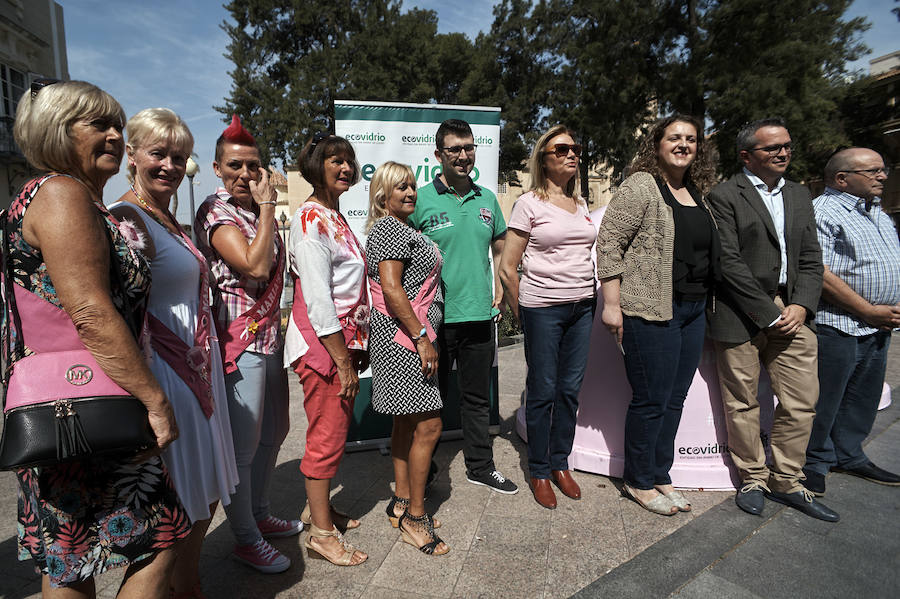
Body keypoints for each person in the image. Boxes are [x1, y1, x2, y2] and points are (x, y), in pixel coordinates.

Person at [7, 80, 191, 597]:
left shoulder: (51, 196)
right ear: (57, 130)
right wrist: (154, 400)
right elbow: (89, 311)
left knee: (68, 554)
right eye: (98, 124)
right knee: (160, 538)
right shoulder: (61, 194)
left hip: (62, 403)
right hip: (87, 399)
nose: (115, 135)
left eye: (117, 124)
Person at [109, 108, 239, 598]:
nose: (169, 165)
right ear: (132, 155)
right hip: (165, 370)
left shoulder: (167, 218)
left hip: (197, 368)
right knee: (178, 494)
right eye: (158, 153)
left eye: (179, 157)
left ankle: (189, 583)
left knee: (205, 487)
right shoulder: (127, 217)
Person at [706, 117, 838, 522]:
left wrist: (801, 305)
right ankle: (753, 478)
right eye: (773, 148)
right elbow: (726, 262)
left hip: (793, 311)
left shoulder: (800, 194)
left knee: (802, 402)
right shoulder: (723, 195)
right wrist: (767, 313)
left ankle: (787, 480)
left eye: (787, 146)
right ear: (747, 156)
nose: (784, 153)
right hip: (739, 312)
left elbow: (811, 258)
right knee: (742, 403)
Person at [596, 115, 719, 516]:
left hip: (693, 310)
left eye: (691, 139)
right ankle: (638, 479)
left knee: (675, 398)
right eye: (675, 137)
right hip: (650, 310)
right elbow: (609, 243)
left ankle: (660, 472)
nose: (683, 144)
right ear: (658, 144)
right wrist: (611, 305)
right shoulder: (641, 186)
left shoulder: (697, 191)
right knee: (651, 399)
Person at [195, 115, 300, 574]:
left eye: (253, 166)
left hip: (270, 338)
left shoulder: (256, 212)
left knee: (275, 432)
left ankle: (259, 513)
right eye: (235, 165)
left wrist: (265, 211)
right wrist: (269, 207)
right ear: (217, 168)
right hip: (238, 343)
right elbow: (254, 267)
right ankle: (245, 538)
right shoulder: (215, 210)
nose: (244, 174)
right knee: (244, 445)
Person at [408, 119, 517, 495]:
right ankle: (424, 470)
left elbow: (500, 245)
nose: (463, 155)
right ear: (438, 155)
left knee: (476, 399)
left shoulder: (487, 198)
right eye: (454, 149)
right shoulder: (420, 199)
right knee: (427, 402)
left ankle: (480, 466)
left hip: (478, 316)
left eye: (468, 147)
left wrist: (500, 287)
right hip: (434, 320)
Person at [499, 125, 596, 509]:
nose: (572, 154)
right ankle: (539, 470)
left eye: (576, 148)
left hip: (582, 308)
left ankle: (560, 462)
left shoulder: (581, 203)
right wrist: (523, 313)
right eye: (562, 149)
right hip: (543, 309)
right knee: (542, 391)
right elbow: (508, 268)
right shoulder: (529, 204)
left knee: (570, 390)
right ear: (544, 157)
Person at [285, 132, 369, 566]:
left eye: (349, 160)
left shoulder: (333, 215)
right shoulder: (309, 219)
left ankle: (318, 510)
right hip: (324, 347)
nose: (345, 168)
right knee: (325, 437)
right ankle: (320, 535)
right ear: (315, 166)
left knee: (333, 433)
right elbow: (319, 298)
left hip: (342, 344)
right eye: (335, 160)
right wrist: (342, 361)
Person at [802, 148, 900, 495]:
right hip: (838, 324)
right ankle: (813, 462)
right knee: (825, 399)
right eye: (873, 171)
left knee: (862, 396)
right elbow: (820, 272)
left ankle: (848, 454)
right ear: (842, 179)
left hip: (878, 324)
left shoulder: (877, 212)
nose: (882, 176)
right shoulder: (822, 212)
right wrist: (866, 309)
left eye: (883, 169)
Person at [365, 161, 449, 554]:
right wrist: (421, 338)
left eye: (413, 185)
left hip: (405, 338)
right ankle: (416, 517)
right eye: (401, 187)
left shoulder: (403, 228)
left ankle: (401, 501)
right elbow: (392, 288)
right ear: (383, 195)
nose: (411, 192)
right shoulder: (389, 229)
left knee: (404, 421)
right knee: (430, 426)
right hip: (405, 340)